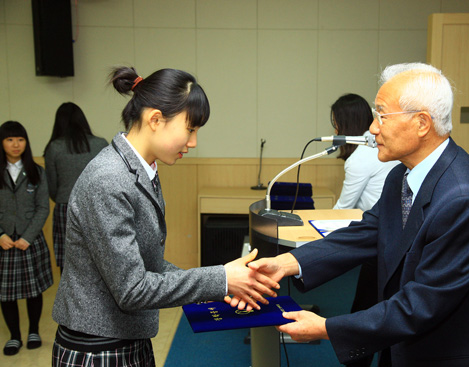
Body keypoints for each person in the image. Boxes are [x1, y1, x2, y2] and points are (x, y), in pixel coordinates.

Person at [244, 63, 469, 366]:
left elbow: (420, 306)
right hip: (404, 347)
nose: (373, 128)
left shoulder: (464, 201)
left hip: (449, 355)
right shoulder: (401, 175)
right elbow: (368, 232)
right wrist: (287, 263)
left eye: (381, 116)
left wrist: (324, 328)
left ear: (422, 123)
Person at [51, 66, 279, 366]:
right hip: (97, 350)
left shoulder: (141, 169)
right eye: (190, 129)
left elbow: (148, 265)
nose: (193, 142)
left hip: (125, 339)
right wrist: (220, 280)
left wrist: (220, 283)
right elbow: (132, 290)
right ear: (155, 119)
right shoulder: (108, 179)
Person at [331, 93, 399, 366]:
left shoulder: (360, 159)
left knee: (365, 310)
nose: (334, 131)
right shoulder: (384, 152)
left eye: (336, 124)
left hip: (379, 241)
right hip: (391, 236)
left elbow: (344, 209)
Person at [0, 121, 52, 356]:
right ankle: (14, 336)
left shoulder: (36, 171)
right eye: (10, 139)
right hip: (3, 242)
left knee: (34, 289)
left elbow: (43, 208)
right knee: (5, 292)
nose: (15, 144)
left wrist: (28, 237)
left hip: (30, 241)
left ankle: (33, 331)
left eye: (20, 139)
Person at [44, 102, 109, 275]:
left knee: (68, 261)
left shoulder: (54, 148)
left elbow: (52, 186)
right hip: (98, 206)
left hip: (65, 207)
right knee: (100, 256)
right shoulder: (100, 144)